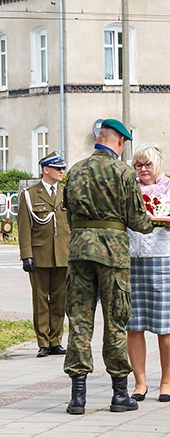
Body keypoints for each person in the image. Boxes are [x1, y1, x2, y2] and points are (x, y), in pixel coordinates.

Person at [63, 119, 152, 415]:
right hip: (112, 254)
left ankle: (77, 398)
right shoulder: (123, 173)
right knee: (115, 321)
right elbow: (138, 221)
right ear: (119, 142)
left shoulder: (74, 170)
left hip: (79, 251)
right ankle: (119, 394)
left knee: (79, 321)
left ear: (98, 139)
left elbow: (68, 214)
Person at [127, 143, 170, 403]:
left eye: (147, 164)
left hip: (162, 259)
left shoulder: (168, 188)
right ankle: (140, 382)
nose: (143, 170)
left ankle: (166, 381)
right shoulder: (128, 190)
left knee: (165, 328)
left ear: (158, 166)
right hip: (132, 260)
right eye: (138, 165)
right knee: (134, 326)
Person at [17, 151, 71, 358]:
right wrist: (26, 255)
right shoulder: (30, 195)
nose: (61, 172)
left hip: (63, 254)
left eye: (62, 168)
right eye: (57, 168)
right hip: (40, 254)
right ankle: (43, 341)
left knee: (60, 299)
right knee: (40, 299)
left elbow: (71, 225)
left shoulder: (66, 193)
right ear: (45, 170)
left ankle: (56, 340)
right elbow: (23, 227)